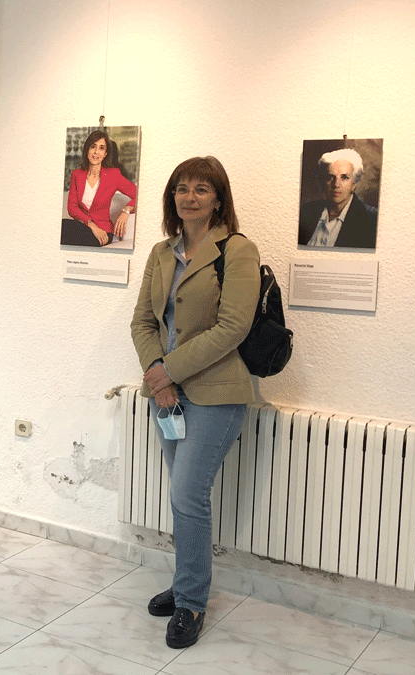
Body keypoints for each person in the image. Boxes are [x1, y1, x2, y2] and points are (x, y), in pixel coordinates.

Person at [130, 156, 259, 649]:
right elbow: (143, 321)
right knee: (181, 499)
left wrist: (169, 370)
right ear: (172, 199)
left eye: (201, 189)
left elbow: (234, 328)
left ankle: (190, 602)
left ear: (218, 199)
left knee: (188, 496)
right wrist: (157, 378)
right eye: (182, 188)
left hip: (217, 393)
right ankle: (187, 583)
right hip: (168, 395)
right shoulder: (162, 253)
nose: (190, 196)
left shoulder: (237, 250)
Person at [66, 130, 137, 246]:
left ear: (105, 154)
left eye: (101, 148)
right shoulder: (77, 174)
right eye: (93, 146)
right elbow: (72, 207)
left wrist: (126, 211)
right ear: (87, 150)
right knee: (63, 225)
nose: (96, 152)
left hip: (104, 232)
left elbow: (139, 194)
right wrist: (92, 226)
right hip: (83, 228)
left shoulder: (113, 175)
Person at [298, 148, 377, 248]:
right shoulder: (307, 210)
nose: (336, 184)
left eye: (344, 177)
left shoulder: (371, 219)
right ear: (322, 182)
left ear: (354, 183)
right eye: (330, 177)